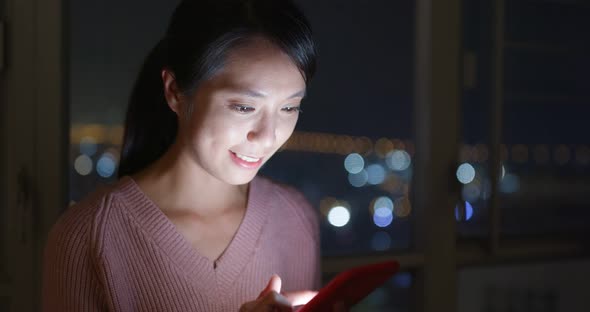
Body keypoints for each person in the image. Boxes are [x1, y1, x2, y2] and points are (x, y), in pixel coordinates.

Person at [42, 0, 327, 310]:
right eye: (244, 107)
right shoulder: (90, 236)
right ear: (175, 91)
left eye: (289, 108)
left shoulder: (294, 219)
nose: (269, 135)